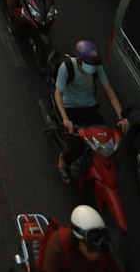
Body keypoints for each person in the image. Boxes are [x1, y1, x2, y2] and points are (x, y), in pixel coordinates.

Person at [53, 40, 129, 183]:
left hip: (90, 106)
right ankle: (63, 159)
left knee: (106, 136)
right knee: (79, 141)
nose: (92, 68)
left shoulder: (96, 67)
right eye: (89, 64)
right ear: (79, 60)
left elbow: (109, 91)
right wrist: (65, 119)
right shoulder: (67, 67)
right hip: (71, 107)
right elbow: (58, 94)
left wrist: (121, 116)